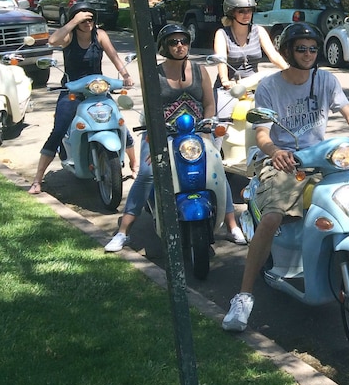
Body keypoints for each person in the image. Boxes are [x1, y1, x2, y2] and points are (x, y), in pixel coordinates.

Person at [222, 22, 349, 332]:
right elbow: (261, 132)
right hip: (285, 161)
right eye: (302, 48)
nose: (309, 53)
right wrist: (275, 151)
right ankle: (244, 296)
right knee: (273, 217)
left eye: (313, 48)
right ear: (288, 51)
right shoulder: (270, 86)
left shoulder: (326, 80)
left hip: (323, 160)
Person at [103, 25, 247, 253]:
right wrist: (156, 133)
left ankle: (231, 224)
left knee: (217, 169)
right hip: (163, 134)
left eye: (183, 41)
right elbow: (151, 110)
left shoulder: (200, 71)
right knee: (147, 173)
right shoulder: (154, 74)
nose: (180, 45)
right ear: (164, 47)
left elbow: (209, 104)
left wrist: (206, 127)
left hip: (196, 135)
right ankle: (124, 231)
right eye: (173, 42)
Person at [29, 2, 137, 195]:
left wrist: (126, 75)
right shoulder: (69, 36)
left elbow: (114, 56)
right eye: (83, 19)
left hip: (98, 89)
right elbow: (53, 40)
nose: (88, 23)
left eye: (90, 19)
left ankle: (134, 165)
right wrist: (72, 22)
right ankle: (37, 179)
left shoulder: (100, 35)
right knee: (59, 128)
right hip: (73, 89)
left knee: (119, 123)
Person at [213, 0, 289, 94]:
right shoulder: (222, 34)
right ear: (231, 12)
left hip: (253, 87)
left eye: (249, 10)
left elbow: (273, 55)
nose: (247, 14)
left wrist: (289, 71)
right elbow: (221, 60)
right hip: (230, 88)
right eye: (241, 11)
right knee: (225, 110)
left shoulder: (258, 31)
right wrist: (225, 80)